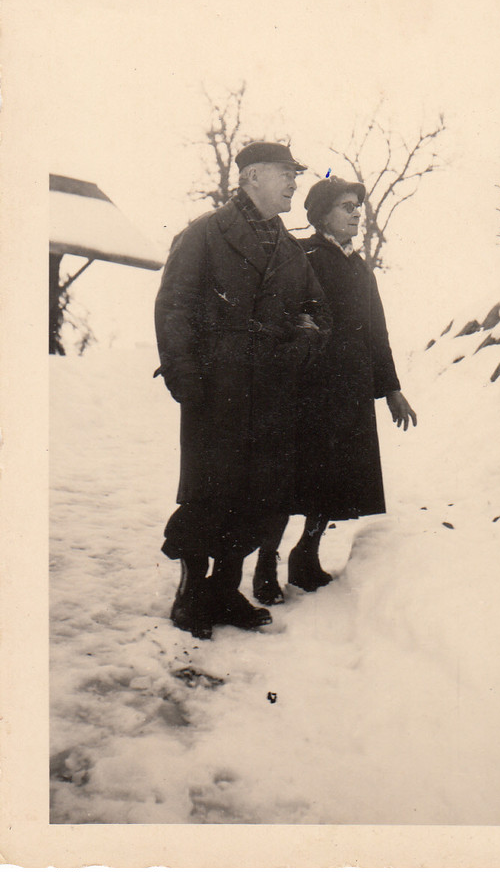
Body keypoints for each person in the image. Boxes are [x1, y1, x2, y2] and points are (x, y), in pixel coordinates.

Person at [154, 142, 331, 639]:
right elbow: (175, 307)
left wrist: (305, 338)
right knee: (208, 491)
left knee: (258, 495)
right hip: (217, 387)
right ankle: (191, 592)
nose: (294, 182)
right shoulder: (205, 234)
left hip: (273, 391)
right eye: (285, 174)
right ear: (252, 176)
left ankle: (226, 589)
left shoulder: (292, 249)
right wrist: (183, 374)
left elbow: (318, 308)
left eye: (295, 175)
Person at [252, 176, 417, 606]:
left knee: (333, 477)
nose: (356, 214)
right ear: (322, 214)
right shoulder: (300, 255)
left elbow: (376, 331)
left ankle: (307, 553)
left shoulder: (360, 266)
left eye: (357, 207)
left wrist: (391, 389)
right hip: (302, 388)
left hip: (348, 391)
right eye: (347, 206)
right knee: (289, 478)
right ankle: (266, 562)